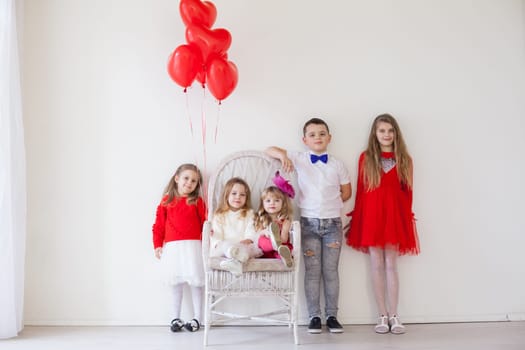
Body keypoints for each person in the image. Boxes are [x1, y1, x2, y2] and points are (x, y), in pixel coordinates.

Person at [266, 117, 352, 334]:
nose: (318, 138)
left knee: (331, 271)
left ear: (329, 138)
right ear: (305, 140)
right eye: (312, 134)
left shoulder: (337, 164)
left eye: (322, 133)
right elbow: (269, 149)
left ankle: (332, 315)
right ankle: (314, 316)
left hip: (332, 224)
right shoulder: (300, 158)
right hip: (308, 224)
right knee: (312, 271)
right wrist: (284, 155)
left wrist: (330, 205)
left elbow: (347, 192)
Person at [346, 113, 420, 335]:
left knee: (391, 265)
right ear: (375, 134)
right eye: (382, 131)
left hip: (395, 218)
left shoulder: (405, 158)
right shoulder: (366, 158)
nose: (386, 135)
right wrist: (357, 218)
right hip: (371, 217)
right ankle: (382, 315)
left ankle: (395, 315)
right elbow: (361, 191)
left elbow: (408, 193)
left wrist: (406, 219)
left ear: (396, 133)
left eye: (390, 131)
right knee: (376, 264)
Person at [152, 164, 206, 333]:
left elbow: (206, 224)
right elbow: (158, 225)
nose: (189, 183)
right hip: (173, 248)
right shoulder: (166, 201)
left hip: (194, 247)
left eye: (194, 181)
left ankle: (198, 318)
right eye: (186, 178)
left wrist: (208, 245)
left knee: (197, 282)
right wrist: (157, 244)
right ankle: (175, 317)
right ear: (177, 178)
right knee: (176, 283)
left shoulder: (197, 201)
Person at [210, 177, 262, 276]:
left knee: (247, 251)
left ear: (246, 198)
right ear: (226, 195)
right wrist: (217, 243)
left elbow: (251, 230)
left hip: (242, 245)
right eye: (234, 193)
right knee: (225, 246)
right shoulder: (219, 214)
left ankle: (235, 263)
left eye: (242, 195)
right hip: (225, 247)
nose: (238, 197)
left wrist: (249, 239)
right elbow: (217, 234)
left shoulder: (249, 213)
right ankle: (232, 257)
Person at [254, 172, 295, 268]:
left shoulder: (285, 220)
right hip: (265, 251)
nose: (272, 203)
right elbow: (257, 236)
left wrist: (277, 242)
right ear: (263, 204)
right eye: (268, 201)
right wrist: (265, 232)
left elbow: (284, 239)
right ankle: (274, 244)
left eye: (277, 200)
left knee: (282, 250)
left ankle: (286, 259)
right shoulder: (261, 218)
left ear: (283, 203)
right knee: (261, 240)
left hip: (280, 247)